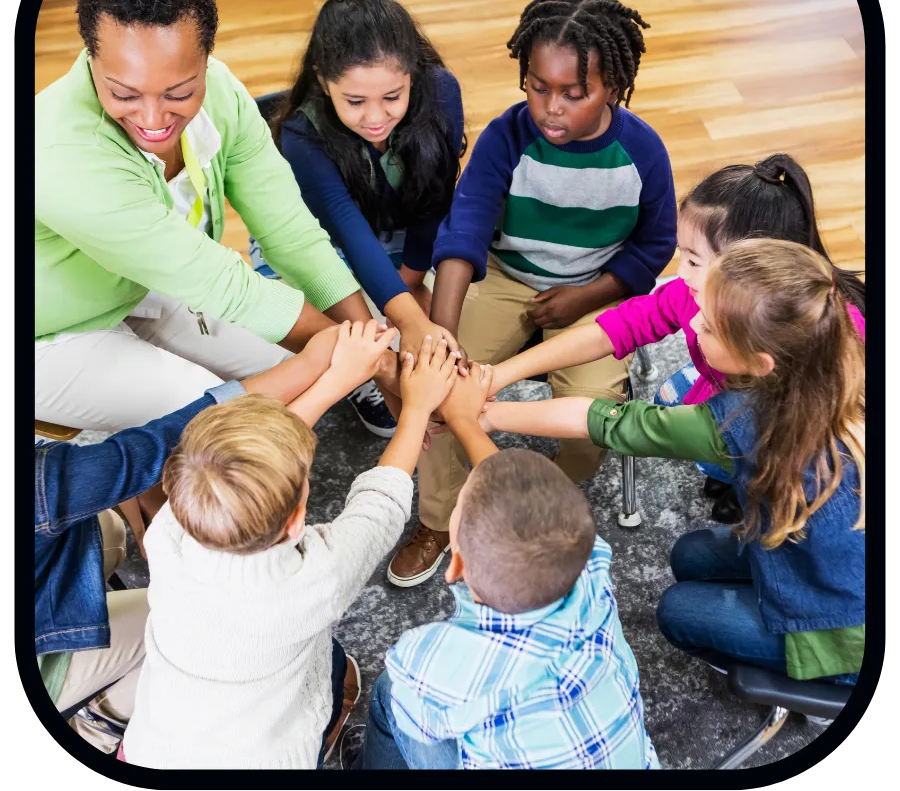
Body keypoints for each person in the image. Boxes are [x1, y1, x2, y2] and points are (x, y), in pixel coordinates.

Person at [35, 0, 389, 449]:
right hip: (48, 331)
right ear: (91, 58)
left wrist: (371, 343)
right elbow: (223, 284)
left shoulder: (222, 91)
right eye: (123, 93)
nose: (154, 119)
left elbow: (290, 232)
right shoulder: (60, 153)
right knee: (223, 427)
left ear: (206, 58)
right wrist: (381, 360)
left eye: (179, 92)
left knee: (292, 371)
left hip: (137, 285)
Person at [472, 239, 865, 686]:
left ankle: (827, 678)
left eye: (711, 327)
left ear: (760, 363)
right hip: (832, 564)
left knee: (677, 611)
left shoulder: (739, 424)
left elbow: (603, 420)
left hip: (848, 629)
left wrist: (486, 415)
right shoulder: (837, 361)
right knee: (689, 554)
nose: (694, 322)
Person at [387, 0, 677, 588]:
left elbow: (655, 247)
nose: (551, 108)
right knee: (440, 386)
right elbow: (463, 233)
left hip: (594, 292)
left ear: (613, 88)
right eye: (538, 87)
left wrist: (588, 295)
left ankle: (552, 491)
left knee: (599, 412)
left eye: (575, 94)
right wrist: (441, 337)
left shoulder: (642, 153)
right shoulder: (506, 137)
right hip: (508, 277)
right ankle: (439, 519)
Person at [119, 332, 460, 769]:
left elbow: (241, 461)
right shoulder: (317, 577)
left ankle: (337, 689)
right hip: (268, 757)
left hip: (157, 746)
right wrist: (416, 409)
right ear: (299, 519)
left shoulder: (170, 528)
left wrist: (338, 379)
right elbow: (381, 505)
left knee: (323, 665)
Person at [487, 153, 865, 524]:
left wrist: (488, 412)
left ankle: (743, 483)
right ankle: (730, 476)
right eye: (681, 254)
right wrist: (499, 376)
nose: (679, 275)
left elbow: (613, 422)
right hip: (734, 398)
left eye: (694, 261)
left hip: (792, 440)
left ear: (752, 266)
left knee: (748, 462)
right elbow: (616, 328)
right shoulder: (694, 295)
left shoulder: (832, 342)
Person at [35, 329, 348, 753]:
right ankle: (100, 724)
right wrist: (322, 375)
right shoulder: (43, 488)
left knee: (104, 532)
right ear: (296, 521)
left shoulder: (166, 532)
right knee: (168, 619)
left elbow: (124, 464)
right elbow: (150, 446)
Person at [345, 364, 658, 770]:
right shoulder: (592, 569)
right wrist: (462, 419)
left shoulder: (425, 662)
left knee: (390, 695)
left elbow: (422, 725)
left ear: (454, 565)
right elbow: (521, 500)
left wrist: (419, 412)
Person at [251, 0, 466, 437]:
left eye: (393, 97)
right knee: (310, 319)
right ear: (322, 82)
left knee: (450, 299)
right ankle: (361, 372)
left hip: (405, 230)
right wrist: (405, 312)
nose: (375, 118)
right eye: (354, 101)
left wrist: (409, 280)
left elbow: (437, 197)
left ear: (414, 73)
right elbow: (344, 226)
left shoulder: (443, 90)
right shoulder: (301, 133)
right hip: (326, 241)